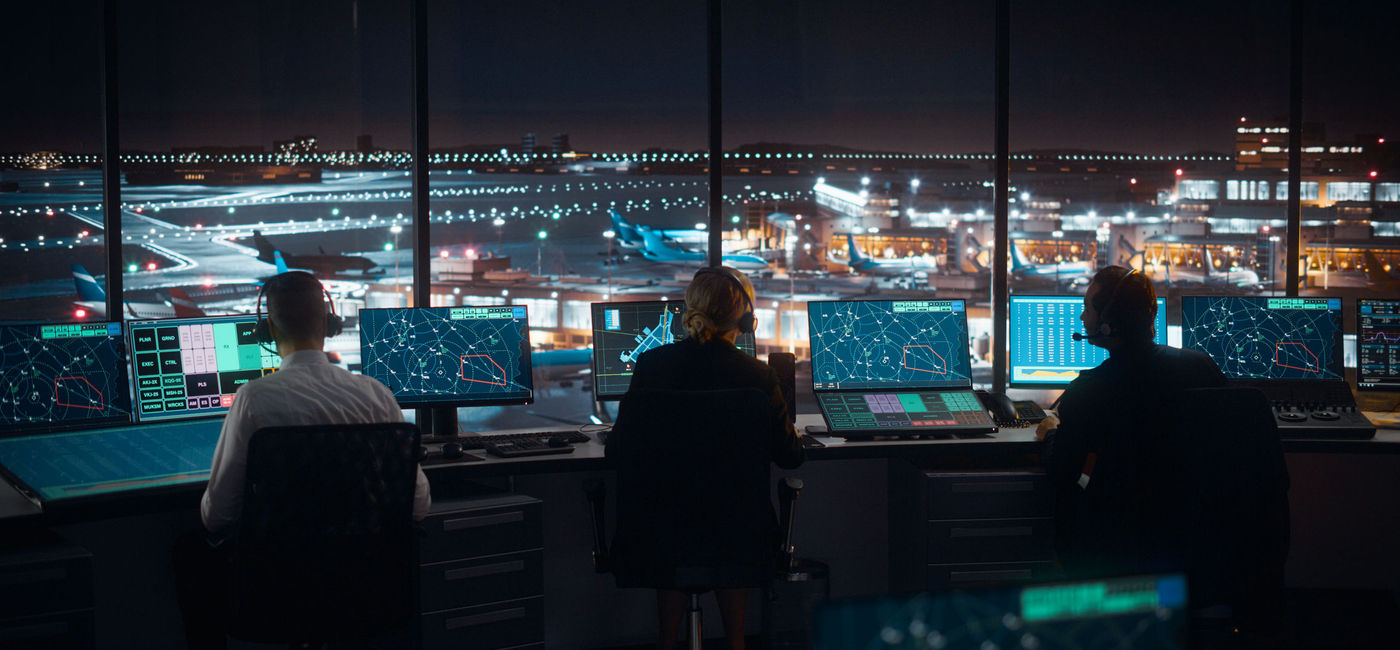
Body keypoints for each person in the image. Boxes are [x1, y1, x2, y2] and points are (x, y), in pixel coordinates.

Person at [174, 271, 430, 649]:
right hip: (364, 587)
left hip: (278, 590)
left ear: (267, 330)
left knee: (189, 552)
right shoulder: (378, 395)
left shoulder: (253, 399)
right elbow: (420, 506)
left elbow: (218, 517)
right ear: (329, 325)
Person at [612, 266, 803, 650]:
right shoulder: (759, 377)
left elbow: (617, 451)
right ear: (747, 320)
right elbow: (790, 457)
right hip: (738, 534)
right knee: (729, 534)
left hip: (661, 532)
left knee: (679, 541)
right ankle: (735, 642)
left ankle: (667, 640)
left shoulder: (651, 366)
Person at [1036, 265, 1226, 578]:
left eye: (1087, 308)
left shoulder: (1091, 389)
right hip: (1198, 538)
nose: (1083, 318)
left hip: (1118, 546)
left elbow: (1061, 471)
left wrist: (1052, 431)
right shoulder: (1201, 367)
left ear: (1109, 322)